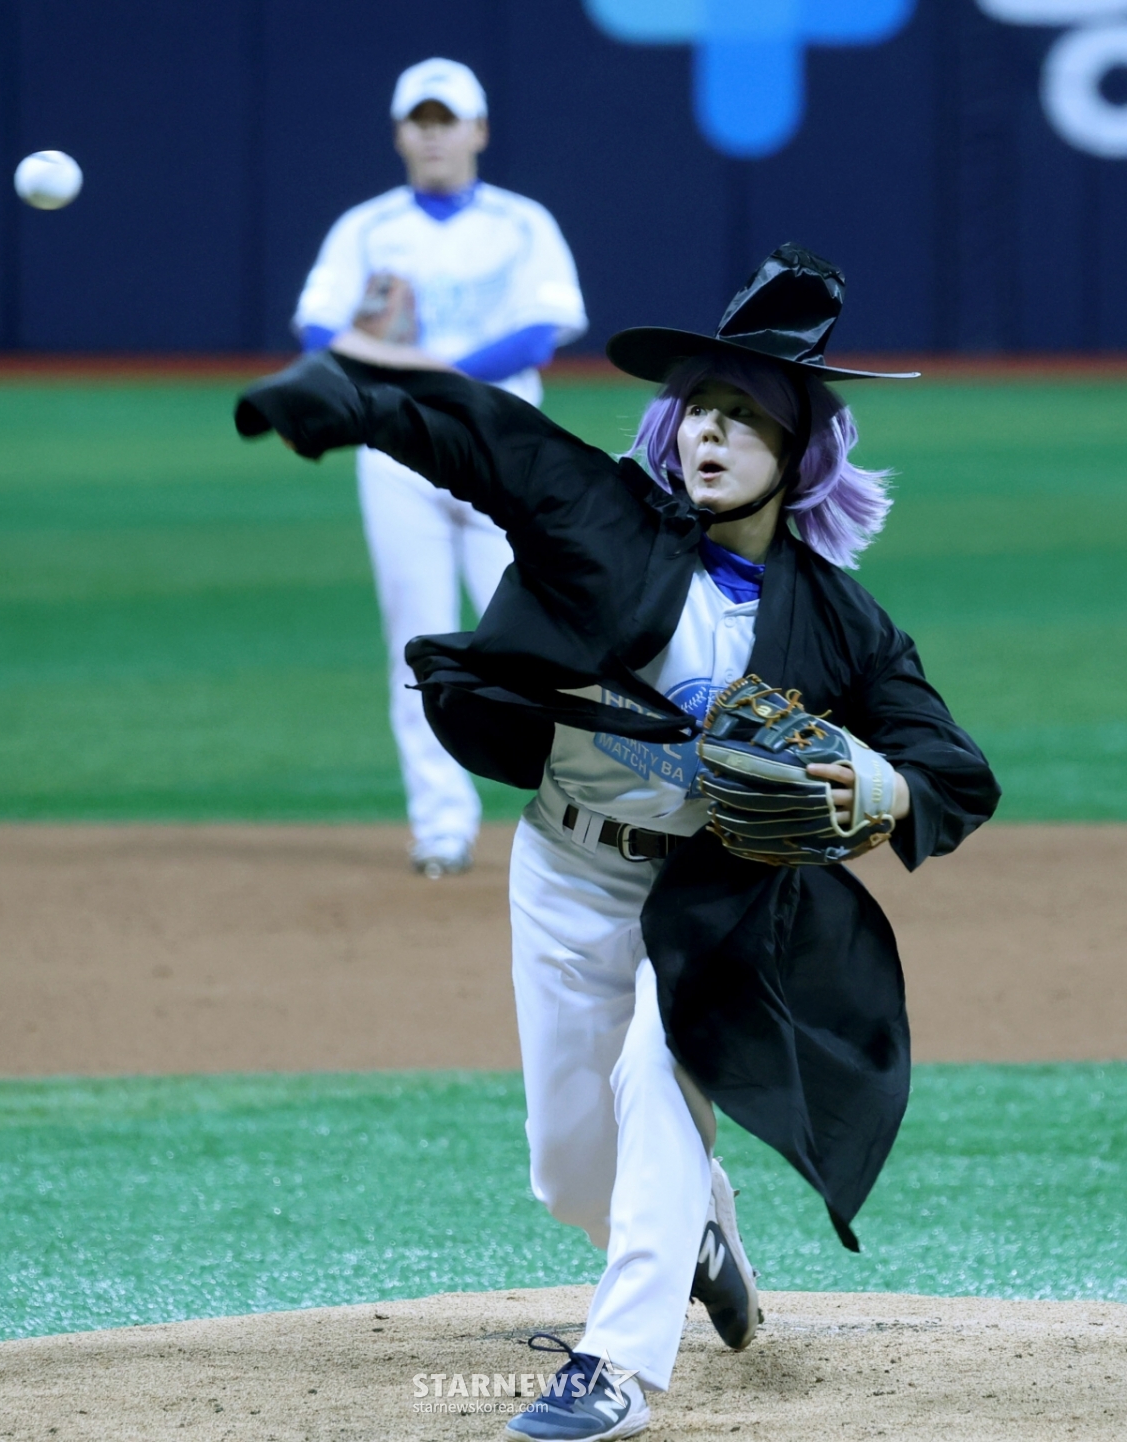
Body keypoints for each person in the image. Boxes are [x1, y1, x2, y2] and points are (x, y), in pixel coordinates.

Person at [237, 244, 1000, 1439]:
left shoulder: (839, 620)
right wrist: (347, 397)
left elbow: (954, 769)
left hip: (713, 899)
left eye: (748, 416)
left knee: (662, 1069)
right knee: (566, 1168)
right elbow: (485, 439)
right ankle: (698, 1228)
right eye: (700, 407)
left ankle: (618, 1370)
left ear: (799, 452)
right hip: (566, 870)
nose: (712, 431)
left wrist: (878, 782)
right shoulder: (605, 518)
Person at [294, 57, 587, 877]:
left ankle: (571, 815)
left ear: (478, 130)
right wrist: (391, 367)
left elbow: (542, 331)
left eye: (446, 119)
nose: (432, 134)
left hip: (506, 458)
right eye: (419, 120)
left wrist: (424, 369)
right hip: (399, 459)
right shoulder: (366, 229)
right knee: (416, 643)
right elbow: (317, 328)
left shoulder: (522, 224)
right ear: (399, 134)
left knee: (540, 644)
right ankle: (441, 827)